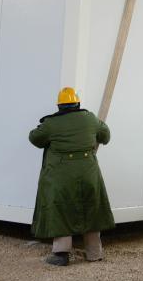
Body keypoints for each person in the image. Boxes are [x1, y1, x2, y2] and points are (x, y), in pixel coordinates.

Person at [29, 87, 115, 266]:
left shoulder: (51, 124)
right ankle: (94, 253)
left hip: (61, 177)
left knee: (61, 210)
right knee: (91, 208)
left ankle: (61, 254)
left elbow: (34, 138)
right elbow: (106, 136)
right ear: (78, 103)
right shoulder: (90, 118)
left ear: (59, 106)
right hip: (89, 174)